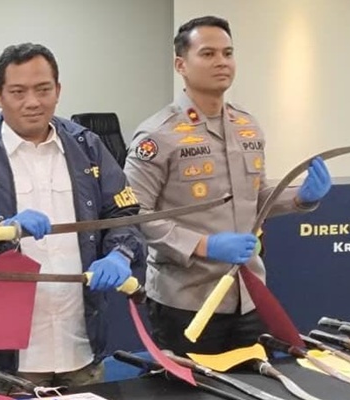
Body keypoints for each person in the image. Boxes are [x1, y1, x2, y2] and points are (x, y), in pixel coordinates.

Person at [0, 43, 146, 394]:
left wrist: (120, 253)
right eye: (18, 92)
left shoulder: (88, 146)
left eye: (43, 89)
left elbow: (122, 213)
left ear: (58, 90)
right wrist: (2, 229)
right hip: (4, 358)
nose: (32, 102)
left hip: (80, 346)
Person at [124, 16, 332, 355]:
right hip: (186, 300)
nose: (221, 62)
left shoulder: (246, 126)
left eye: (228, 53)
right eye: (208, 54)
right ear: (181, 65)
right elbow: (134, 214)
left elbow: (255, 198)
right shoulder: (158, 135)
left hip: (249, 295)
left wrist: (300, 197)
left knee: (255, 380)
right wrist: (204, 245)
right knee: (195, 384)